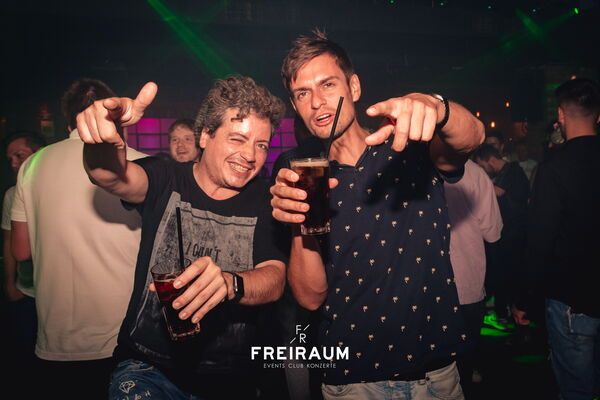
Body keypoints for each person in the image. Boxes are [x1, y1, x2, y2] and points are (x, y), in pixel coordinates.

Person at [271, 30, 484, 400]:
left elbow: (473, 137)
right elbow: (309, 298)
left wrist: (436, 106)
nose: (317, 102)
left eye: (327, 84)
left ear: (354, 87)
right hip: (352, 381)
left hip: (435, 375)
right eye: (302, 93)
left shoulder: (410, 145)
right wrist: (299, 222)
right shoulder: (304, 174)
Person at [76, 75, 289, 399]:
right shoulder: (166, 177)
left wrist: (229, 283)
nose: (250, 156)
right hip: (147, 368)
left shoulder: (265, 199)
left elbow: (275, 278)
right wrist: (103, 141)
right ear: (205, 135)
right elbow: (110, 175)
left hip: (230, 379)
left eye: (261, 145)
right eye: (237, 139)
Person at [10, 78, 147, 400]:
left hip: (56, 335)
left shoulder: (32, 165)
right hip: (124, 334)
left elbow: (21, 250)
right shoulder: (141, 164)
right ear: (115, 114)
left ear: (68, 119)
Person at [513, 78, 600, 400]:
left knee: (576, 389)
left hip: (571, 299)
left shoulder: (554, 168)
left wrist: (525, 299)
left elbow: (540, 240)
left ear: (560, 115)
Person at [443, 159, 503, 395]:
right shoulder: (476, 174)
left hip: (422, 287)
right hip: (465, 282)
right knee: (465, 359)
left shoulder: (411, 167)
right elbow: (493, 232)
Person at [2, 130, 46, 395]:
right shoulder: (11, 195)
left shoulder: (54, 189)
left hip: (54, 293)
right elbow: (9, 243)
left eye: (19, 155)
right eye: (10, 159)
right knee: (24, 358)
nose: (14, 163)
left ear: (38, 154)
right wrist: (10, 283)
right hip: (26, 290)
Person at [472, 144, 529, 325]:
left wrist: (477, 179)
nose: (482, 170)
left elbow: (498, 191)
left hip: (515, 232)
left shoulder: (513, 170)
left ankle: (512, 313)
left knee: (510, 274)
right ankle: (504, 311)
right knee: (503, 273)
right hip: (509, 232)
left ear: (491, 160)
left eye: (482, 166)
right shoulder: (505, 172)